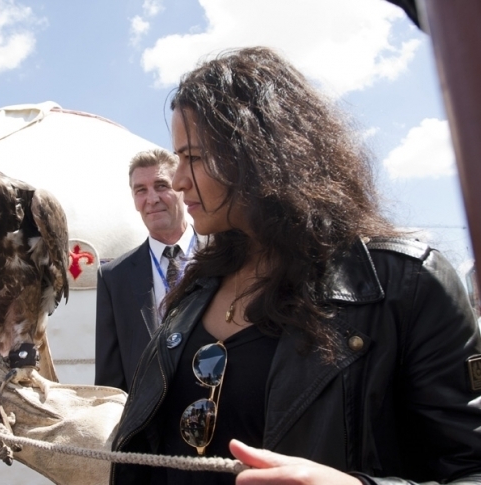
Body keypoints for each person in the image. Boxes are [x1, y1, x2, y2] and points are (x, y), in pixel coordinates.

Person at [110, 47, 481, 485]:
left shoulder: (405, 284)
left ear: (257, 153)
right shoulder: (197, 287)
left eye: (192, 157)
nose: (177, 180)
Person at [95, 148, 199, 392]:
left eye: (162, 185)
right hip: (151, 424)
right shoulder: (114, 277)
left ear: (181, 189)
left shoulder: (224, 256)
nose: (151, 199)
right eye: (140, 190)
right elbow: (110, 381)